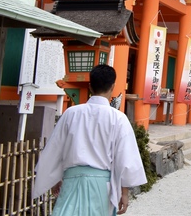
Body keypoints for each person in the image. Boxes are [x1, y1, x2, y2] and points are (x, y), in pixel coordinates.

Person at [32, 64, 147, 215]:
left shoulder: (71, 113)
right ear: (113, 86)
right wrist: (124, 193)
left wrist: (56, 177)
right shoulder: (118, 118)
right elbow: (125, 158)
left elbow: (56, 148)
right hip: (101, 185)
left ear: (90, 86)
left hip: (72, 180)